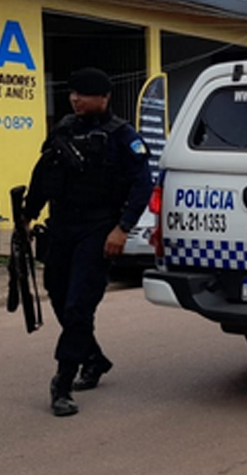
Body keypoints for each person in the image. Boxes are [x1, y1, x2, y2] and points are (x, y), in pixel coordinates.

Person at [22, 67, 152, 417]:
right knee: (61, 297)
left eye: (83, 94)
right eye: (72, 93)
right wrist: (27, 214)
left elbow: (143, 185)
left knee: (80, 305)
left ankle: (62, 383)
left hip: (98, 230)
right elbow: (43, 174)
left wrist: (122, 229)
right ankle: (93, 358)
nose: (75, 99)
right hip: (62, 227)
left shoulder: (123, 136)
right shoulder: (63, 129)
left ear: (104, 97)